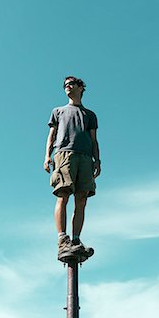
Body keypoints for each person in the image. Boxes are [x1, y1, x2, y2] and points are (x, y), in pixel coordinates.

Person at [44, 76, 101, 261]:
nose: (67, 86)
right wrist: (47, 157)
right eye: (65, 85)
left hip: (85, 157)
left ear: (80, 87)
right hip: (64, 154)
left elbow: (94, 140)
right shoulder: (58, 111)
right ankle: (62, 239)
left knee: (82, 199)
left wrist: (97, 160)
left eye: (71, 84)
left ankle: (76, 240)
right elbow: (51, 136)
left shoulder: (90, 114)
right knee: (63, 194)